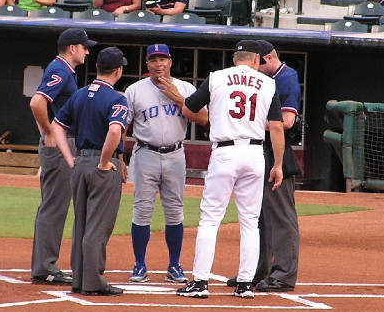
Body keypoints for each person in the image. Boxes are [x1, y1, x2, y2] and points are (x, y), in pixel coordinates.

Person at [175, 40, 284, 299]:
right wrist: (278, 164)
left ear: (235, 59)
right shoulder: (268, 83)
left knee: (210, 219)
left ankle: (200, 282)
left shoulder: (217, 77)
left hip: (225, 152)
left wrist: (216, 114)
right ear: (256, 60)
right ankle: (245, 284)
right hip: (255, 153)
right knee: (249, 222)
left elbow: (188, 109)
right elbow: (277, 127)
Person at [124, 43, 207, 284]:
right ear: (147, 64)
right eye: (153, 60)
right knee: (142, 210)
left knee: (174, 211)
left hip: (175, 154)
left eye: (163, 59)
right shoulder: (135, 90)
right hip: (145, 154)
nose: (159, 64)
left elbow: (203, 118)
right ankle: (139, 264)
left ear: (170, 61)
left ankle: (174, 265)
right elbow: (123, 125)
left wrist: (178, 98)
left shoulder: (186, 88)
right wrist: (119, 156)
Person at [51, 47, 128, 296]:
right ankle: (93, 282)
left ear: (97, 68)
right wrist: (105, 161)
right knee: (97, 227)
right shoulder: (117, 98)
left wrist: (69, 159)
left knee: (81, 225)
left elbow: (56, 125)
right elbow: (115, 131)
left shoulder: (80, 94)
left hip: (80, 163)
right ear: (118, 70)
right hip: (101, 167)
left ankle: (80, 280)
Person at [226, 40, 301, 292]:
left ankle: (283, 275)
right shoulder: (262, 80)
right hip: (257, 150)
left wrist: (250, 123)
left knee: (280, 216)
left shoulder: (287, 77)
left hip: (276, 151)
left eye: (256, 63)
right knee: (257, 216)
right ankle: (256, 272)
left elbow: (287, 121)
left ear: (267, 59)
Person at [29, 28, 97, 286]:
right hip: (60, 143)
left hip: (64, 142)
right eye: (84, 47)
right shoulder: (59, 69)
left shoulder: (65, 70)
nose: (87, 51)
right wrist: (49, 132)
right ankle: (45, 267)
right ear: (72, 48)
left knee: (54, 205)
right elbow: (37, 103)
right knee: (54, 206)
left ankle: (44, 265)